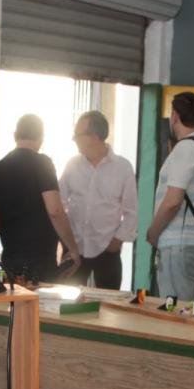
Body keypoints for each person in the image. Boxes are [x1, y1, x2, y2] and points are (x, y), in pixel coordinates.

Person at [0, 114, 81, 282]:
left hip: (10, 258)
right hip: (40, 261)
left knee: (14, 297)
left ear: (15, 135)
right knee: (40, 298)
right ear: (41, 138)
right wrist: (72, 249)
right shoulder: (43, 163)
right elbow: (55, 210)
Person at [145, 91, 194, 304]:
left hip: (180, 245)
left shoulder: (186, 148)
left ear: (174, 116)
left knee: (175, 312)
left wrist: (153, 232)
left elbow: (173, 201)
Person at [59, 111, 138, 289]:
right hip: (75, 250)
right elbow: (59, 202)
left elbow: (131, 211)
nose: (73, 139)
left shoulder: (122, 168)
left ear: (94, 137)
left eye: (77, 134)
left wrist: (116, 242)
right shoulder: (72, 165)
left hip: (108, 249)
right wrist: (66, 240)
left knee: (108, 303)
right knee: (68, 301)